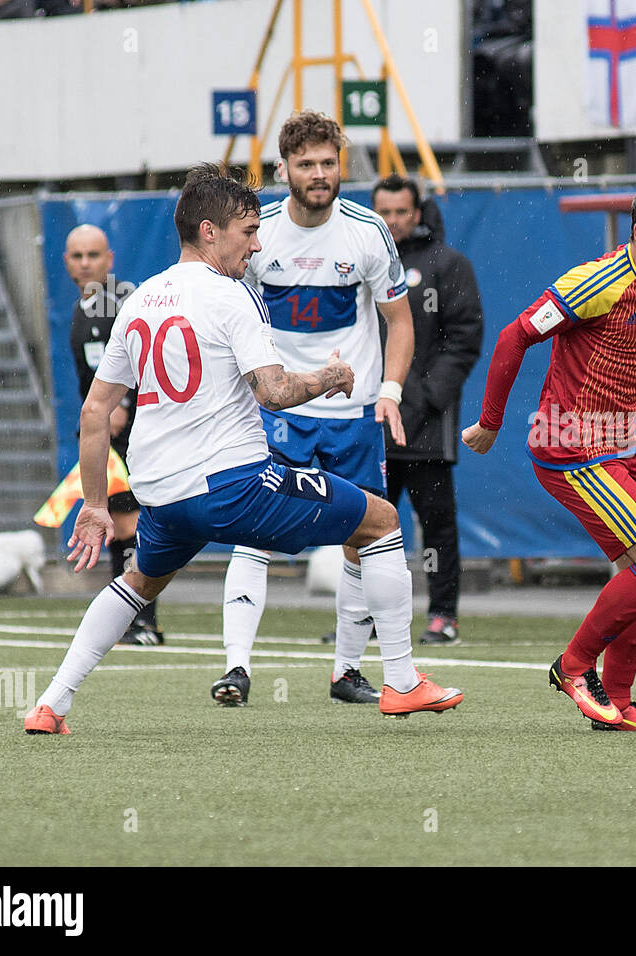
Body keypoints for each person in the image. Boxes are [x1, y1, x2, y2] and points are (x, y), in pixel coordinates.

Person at [23, 165, 461, 735]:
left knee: (138, 583)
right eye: (247, 232)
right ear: (210, 231)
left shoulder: (139, 298)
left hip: (164, 495)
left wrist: (96, 506)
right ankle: (402, 682)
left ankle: (51, 704)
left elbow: (92, 413)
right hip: (231, 485)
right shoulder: (233, 297)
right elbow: (275, 393)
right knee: (379, 522)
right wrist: (327, 377)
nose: (256, 246)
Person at [462, 178, 636, 732]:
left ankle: (617, 704)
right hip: (570, 446)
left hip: (620, 445)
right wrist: (491, 422)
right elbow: (514, 337)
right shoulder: (597, 282)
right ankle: (572, 666)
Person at [217, 111, 415, 707]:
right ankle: (237, 669)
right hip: (276, 412)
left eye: (329, 162)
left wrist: (391, 392)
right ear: (283, 169)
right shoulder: (257, 233)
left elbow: (400, 321)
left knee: (364, 537)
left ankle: (346, 672)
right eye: (305, 163)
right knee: (255, 531)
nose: (319, 173)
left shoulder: (368, 230)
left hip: (353, 414)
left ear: (342, 166)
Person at [371, 174, 484, 646]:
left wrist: (422, 398)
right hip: (371, 423)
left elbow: (464, 339)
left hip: (426, 427)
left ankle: (443, 616)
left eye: (402, 212)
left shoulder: (448, 264)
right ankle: (366, 619)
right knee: (368, 526)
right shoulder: (362, 263)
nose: (393, 222)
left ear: (417, 213)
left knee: (436, 523)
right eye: (385, 212)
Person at [64, 224, 164, 645]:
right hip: (103, 430)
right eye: (77, 256)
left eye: (93, 255)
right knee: (110, 518)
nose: (85, 263)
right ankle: (127, 618)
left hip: (132, 428)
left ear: (110, 258)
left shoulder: (121, 301)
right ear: (67, 261)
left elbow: (147, 355)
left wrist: (122, 406)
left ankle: (141, 621)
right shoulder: (83, 307)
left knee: (131, 520)